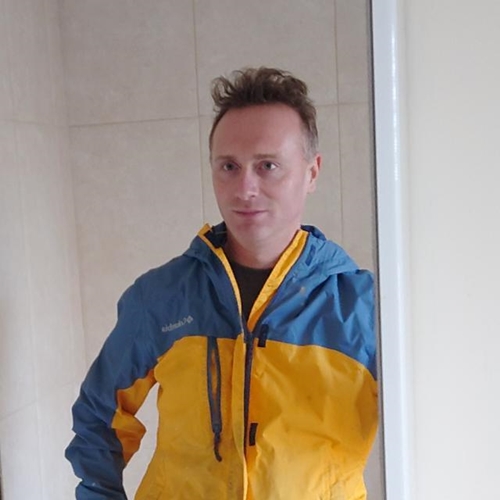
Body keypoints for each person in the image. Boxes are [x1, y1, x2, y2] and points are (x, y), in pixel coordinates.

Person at [66, 67, 378, 500]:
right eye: (229, 166)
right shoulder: (161, 298)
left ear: (312, 172)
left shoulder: (367, 310)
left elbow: (433, 426)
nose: (245, 188)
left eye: (268, 166)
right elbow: (100, 417)